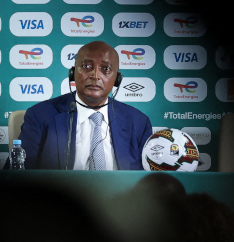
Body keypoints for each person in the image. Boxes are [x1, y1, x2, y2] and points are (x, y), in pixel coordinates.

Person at [17, 41, 153, 170]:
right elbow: (18, 174)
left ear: (117, 79)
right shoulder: (40, 115)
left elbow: (148, 179)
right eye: (87, 66)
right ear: (72, 73)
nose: (95, 75)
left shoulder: (139, 123)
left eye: (106, 69)